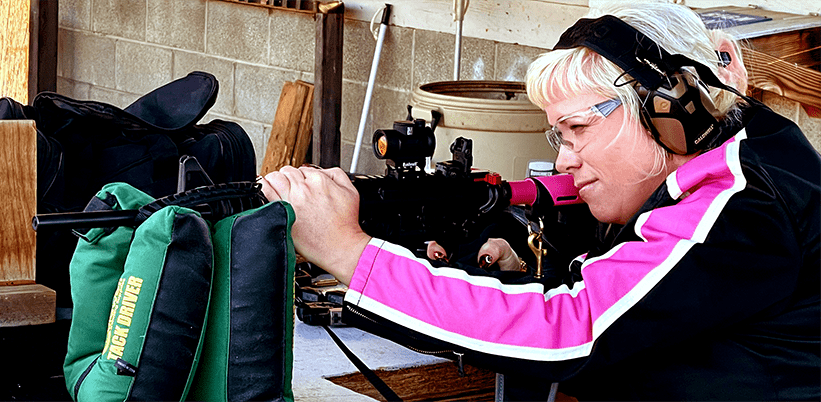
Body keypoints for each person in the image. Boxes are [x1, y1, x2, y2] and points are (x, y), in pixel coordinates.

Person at [262, 1, 821, 400]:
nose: (562, 160)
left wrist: (352, 256)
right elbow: (643, 280)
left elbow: (570, 327)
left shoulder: (744, 204)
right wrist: (533, 258)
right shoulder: (731, 163)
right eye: (559, 136)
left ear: (667, 112)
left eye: (576, 128)